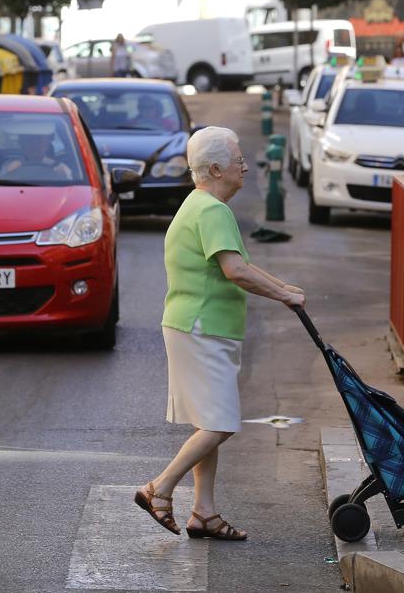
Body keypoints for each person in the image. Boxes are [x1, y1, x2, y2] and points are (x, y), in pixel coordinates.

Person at [135, 126, 305, 541]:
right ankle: (159, 488)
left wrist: (285, 289)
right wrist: (284, 294)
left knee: (208, 422)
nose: (245, 164)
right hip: (201, 327)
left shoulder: (199, 205)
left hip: (196, 326)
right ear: (214, 168)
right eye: (238, 158)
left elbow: (238, 263)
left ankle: (203, 512)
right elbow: (237, 272)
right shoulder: (212, 211)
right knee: (221, 423)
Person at [1, 130, 73, 180]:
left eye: (39, 139)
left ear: (47, 144)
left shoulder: (59, 166)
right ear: (22, 144)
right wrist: (8, 174)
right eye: (30, 139)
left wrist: (63, 176)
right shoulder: (9, 165)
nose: (34, 144)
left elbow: (71, 188)